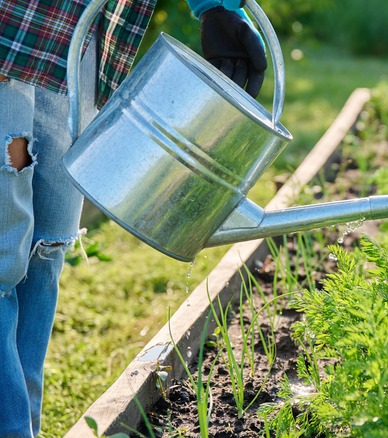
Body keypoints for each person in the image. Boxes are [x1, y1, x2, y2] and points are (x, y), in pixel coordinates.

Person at [0, 0, 266, 435]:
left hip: (73, 31)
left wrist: (215, 6)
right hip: (11, 26)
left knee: (45, 250)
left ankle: (23, 424)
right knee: (2, 256)